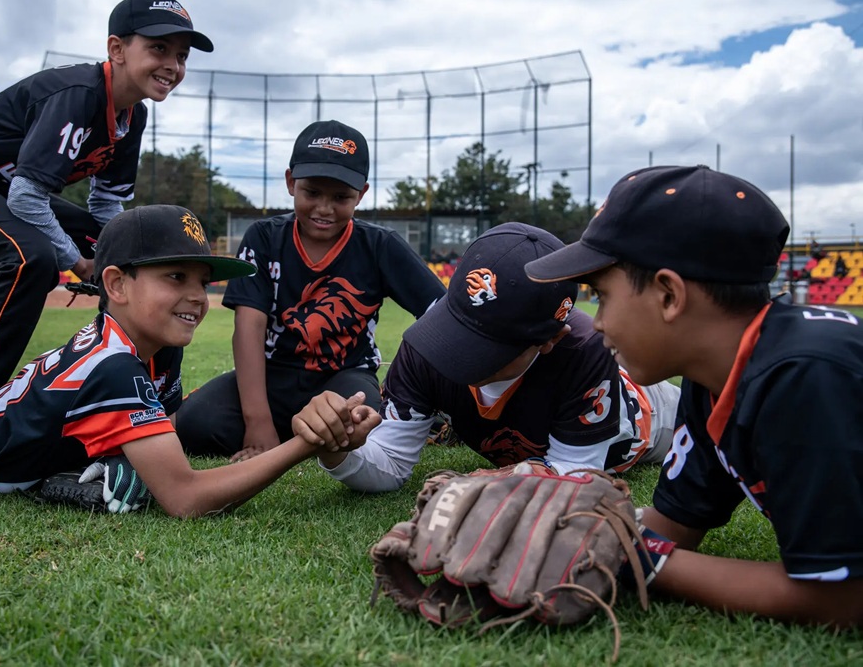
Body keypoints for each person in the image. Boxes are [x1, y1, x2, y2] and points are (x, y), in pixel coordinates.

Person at [0, 205, 382, 518]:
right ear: (115, 284)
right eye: (174, 277)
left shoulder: (148, 351)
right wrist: (303, 443)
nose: (197, 296)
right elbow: (186, 498)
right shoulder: (116, 364)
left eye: (203, 280)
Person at [523, 164, 863, 627]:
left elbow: (842, 600)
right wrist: (574, 532)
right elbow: (674, 527)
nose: (596, 321)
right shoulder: (713, 377)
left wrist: (634, 560)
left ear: (669, 295)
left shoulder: (804, 376)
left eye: (601, 295)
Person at [0, 0, 212, 400]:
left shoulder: (132, 115)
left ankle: (148, 395)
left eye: (182, 55)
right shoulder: (79, 94)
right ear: (116, 49)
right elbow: (26, 199)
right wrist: (80, 262)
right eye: (159, 48)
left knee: (148, 257)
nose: (173, 65)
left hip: (7, 186)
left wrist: (126, 250)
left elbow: (105, 204)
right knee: (31, 257)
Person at [298, 222, 679, 493]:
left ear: (549, 340)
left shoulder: (580, 348)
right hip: (535, 437)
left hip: (649, 417)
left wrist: (479, 484)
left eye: (489, 346)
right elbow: (391, 463)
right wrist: (342, 451)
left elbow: (575, 478)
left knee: (708, 421)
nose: (460, 356)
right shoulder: (423, 345)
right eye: (458, 327)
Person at [175, 120, 447, 461]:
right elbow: (249, 328)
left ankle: (419, 423)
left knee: (357, 424)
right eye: (313, 192)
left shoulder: (380, 245)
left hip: (344, 377)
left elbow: (442, 312)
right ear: (291, 182)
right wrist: (256, 423)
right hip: (273, 376)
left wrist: (430, 388)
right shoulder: (264, 237)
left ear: (361, 194)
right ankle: (298, 435)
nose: (324, 208)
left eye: (341, 197)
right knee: (194, 424)